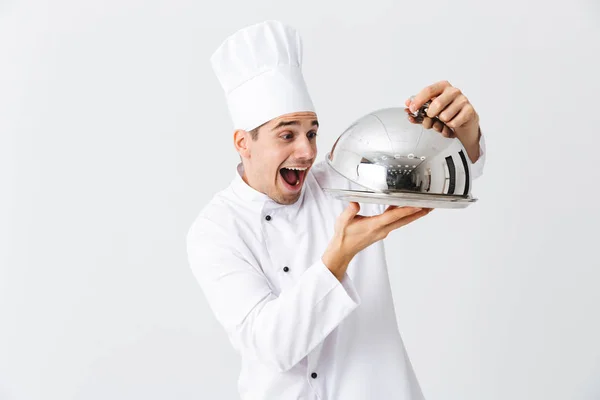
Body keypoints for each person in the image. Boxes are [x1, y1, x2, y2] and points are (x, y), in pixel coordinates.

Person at [186, 20, 486, 400]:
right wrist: (338, 258)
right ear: (243, 143)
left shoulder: (343, 180)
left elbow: (434, 178)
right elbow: (273, 346)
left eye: (311, 132)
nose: (308, 152)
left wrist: (465, 132)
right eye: (286, 134)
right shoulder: (215, 231)